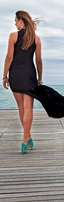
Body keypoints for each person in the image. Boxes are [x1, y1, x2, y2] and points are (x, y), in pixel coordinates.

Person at [2, 10, 43, 154]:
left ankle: (27, 138)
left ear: (21, 20)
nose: (14, 23)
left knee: (21, 108)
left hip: (16, 75)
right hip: (29, 75)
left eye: (15, 20)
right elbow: (38, 60)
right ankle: (26, 138)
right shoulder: (36, 39)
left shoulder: (13, 36)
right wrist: (39, 78)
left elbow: (9, 57)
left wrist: (4, 75)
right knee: (28, 108)